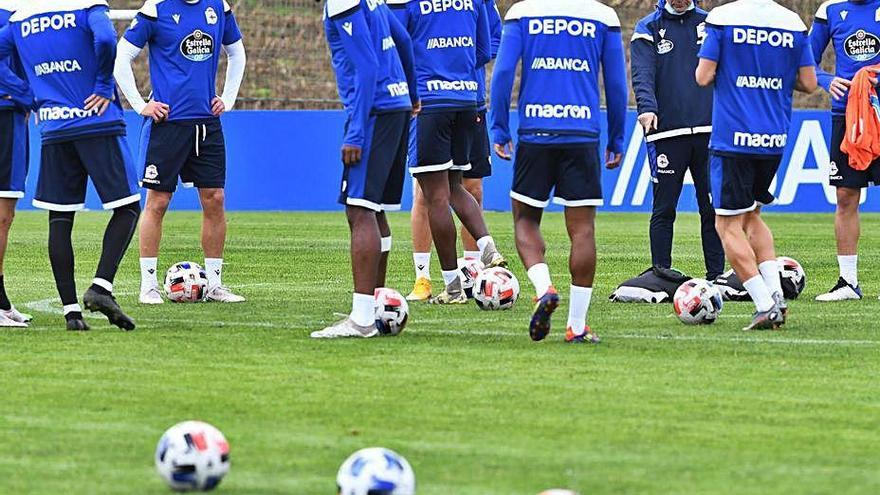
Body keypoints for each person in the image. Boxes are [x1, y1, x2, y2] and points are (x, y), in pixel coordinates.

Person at [0, 0, 143, 331]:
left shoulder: (23, 17)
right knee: (128, 208)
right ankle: (101, 286)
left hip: (53, 128)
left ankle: (71, 313)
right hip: (98, 121)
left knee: (60, 218)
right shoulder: (87, 6)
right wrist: (104, 85)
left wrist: (28, 95)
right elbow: (107, 41)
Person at [490, 0, 627, 343]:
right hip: (582, 134)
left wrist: (500, 128)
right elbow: (615, 82)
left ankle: (543, 288)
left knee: (525, 219)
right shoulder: (602, 16)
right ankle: (577, 326)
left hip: (536, 131)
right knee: (582, 230)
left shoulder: (523, 13)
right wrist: (617, 136)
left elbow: (504, 72)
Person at [115, 0, 247, 305]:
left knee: (214, 199)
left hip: (206, 124)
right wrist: (139, 105)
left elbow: (237, 51)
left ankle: (214, 284)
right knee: (157, 202)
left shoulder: (218, 7)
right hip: (167, 123)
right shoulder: (156, 8)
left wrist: (228, 98)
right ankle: (148, 285)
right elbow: (122, 56)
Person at [696, 0, 817, 330]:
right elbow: (808, 82)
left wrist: (736, 72)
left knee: (726, 225)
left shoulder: (722, 18)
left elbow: (703, 75)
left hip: (732, 138)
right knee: (752, 215)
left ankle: (764, 304)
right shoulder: (792, 22)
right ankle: (776, 296)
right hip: (773, 137)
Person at [311, 0, 419, 338]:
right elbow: (403, 41)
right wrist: (412, 94)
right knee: (375, 211)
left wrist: (355, 131)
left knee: (360, 211)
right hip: (396, 106)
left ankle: (360, 320)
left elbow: (367, 66)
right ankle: (372, 303)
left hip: (375, 114)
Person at [389, 0, 507, 305]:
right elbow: (483, 49)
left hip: (429, 101)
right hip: (467, 98)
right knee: (455, 187)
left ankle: (453, 287)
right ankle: (488, 247)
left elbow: (395, 44)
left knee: (435, 196)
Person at [631, 0, 724, 281]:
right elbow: (642, 74)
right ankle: (661, 272)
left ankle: (716, 276)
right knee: (664, 208)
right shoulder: (648, 28)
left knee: (712, 208)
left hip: (711, 132)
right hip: (667, 132)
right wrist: (647, 108)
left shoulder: (713, 24)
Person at [810, 0, 880, 301]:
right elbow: (806, 60)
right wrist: (826, 80)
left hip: (878, 110)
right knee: (846, 194)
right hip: (847, 114)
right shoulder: (830, 9)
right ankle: (848, 283)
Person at [0, 0, 31, 327]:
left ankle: (1, 298)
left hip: (13, 116)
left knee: (6, 213)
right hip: (5, 112)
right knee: (1, 214)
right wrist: (27, 94)